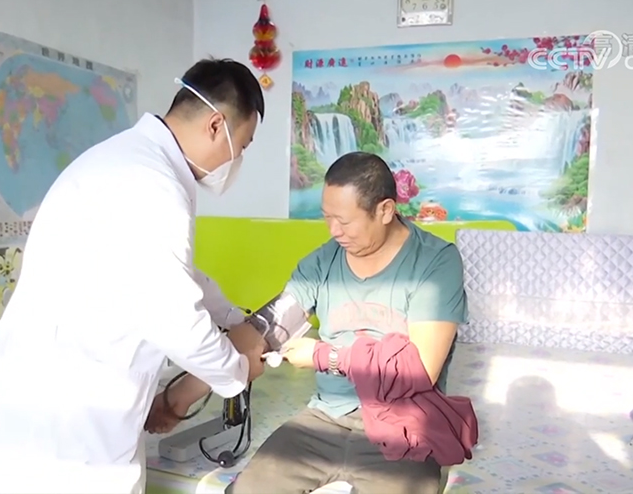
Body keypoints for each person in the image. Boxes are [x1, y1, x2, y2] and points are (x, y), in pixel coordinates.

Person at [0, 58, 270, 494]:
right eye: (243, 145)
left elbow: (172, 274)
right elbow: (175, 318)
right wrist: (236, 371)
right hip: (69, 435)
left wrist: (233, 318)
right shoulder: (154, 184)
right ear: (216, 125)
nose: (237, 160)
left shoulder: (118, 160)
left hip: (27, 409)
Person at [147, 152, 468, 494]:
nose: (334, 231)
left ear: (385, 210)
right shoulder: (322, 263)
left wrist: (324, 356)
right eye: (327, 218)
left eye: (344, 221)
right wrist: (177, 399)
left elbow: (419, 370)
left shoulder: (435, 262)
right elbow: (261, 332)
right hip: (325, 419)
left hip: (405, 423)